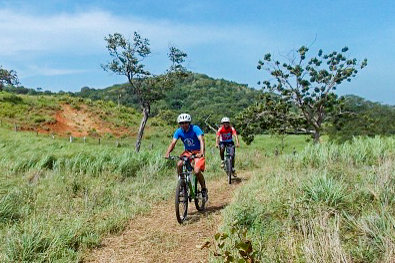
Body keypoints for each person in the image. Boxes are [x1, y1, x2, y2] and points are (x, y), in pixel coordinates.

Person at [165, 113, 208, 201]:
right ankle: (181, 184)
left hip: (198, 152)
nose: (184, 125)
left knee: (196, 171)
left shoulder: (195, 128)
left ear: (189, 123)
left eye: (186, 123)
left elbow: (201, 140)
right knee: (179, 164)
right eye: (182, 123)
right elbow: (173, 143)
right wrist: (168, 153)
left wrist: (201, 152)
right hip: (188, 152)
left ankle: (203, 189)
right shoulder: (179, 131)